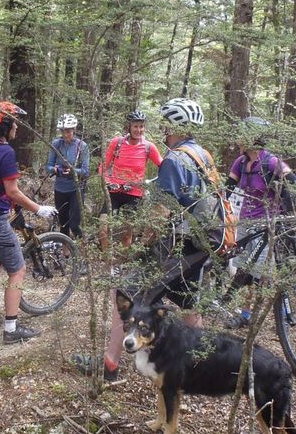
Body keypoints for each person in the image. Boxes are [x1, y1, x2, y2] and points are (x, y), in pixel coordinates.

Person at [72, 99, 207, 383]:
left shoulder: (174, 159)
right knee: (190, 301)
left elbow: (161, 209)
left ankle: (109, 366)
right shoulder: (202, 154)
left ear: (174, 126)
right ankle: (199, 363)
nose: (164, 129)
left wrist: (144, 245)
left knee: (126, 293)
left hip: (174, 242)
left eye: (166, 124)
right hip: (200, 242)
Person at [0, 100, 57, 344]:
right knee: (18, 270)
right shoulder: (5, 152)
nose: (17, 126)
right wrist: (38, 209)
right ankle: (11, 328)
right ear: (5, 125)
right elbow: (13, 190)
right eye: (14, 122)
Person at [225, 116, 296, 326]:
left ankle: (281, 312)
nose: (237, 141)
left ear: (251, 138)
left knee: (264, 273)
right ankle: (246, 315)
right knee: (246, 271)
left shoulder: (270, 161)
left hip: (268, 223)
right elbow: (226, 190)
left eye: (241, 137)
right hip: (246, 223)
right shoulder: (241, 162)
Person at [98, 110, 162, 252]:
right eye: (135, 126)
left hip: (133, 194)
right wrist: (108, 181)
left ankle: (122, 265)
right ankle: (107, 263)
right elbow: (104, 166)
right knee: (102, 228)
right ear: (129, 126)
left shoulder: (148, 147)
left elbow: (163, 166)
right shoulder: (117, 143)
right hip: (114, 191)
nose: (139, 130)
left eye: (141, 126)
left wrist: (150, 182)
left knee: (127, 234)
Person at [45, 114, 90, 239]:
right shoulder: (56, 144)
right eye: (63, 131)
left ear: (74, 130)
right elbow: (48, 166)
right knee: (63, 223)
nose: (66, 134)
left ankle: (81, 246)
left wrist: (72, 171)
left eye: (69, 131)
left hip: (76, 188)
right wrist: (56, 170)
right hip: (60, 188)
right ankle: (65, 254)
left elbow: (86, 171)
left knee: (74, 224)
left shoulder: (82, 146)